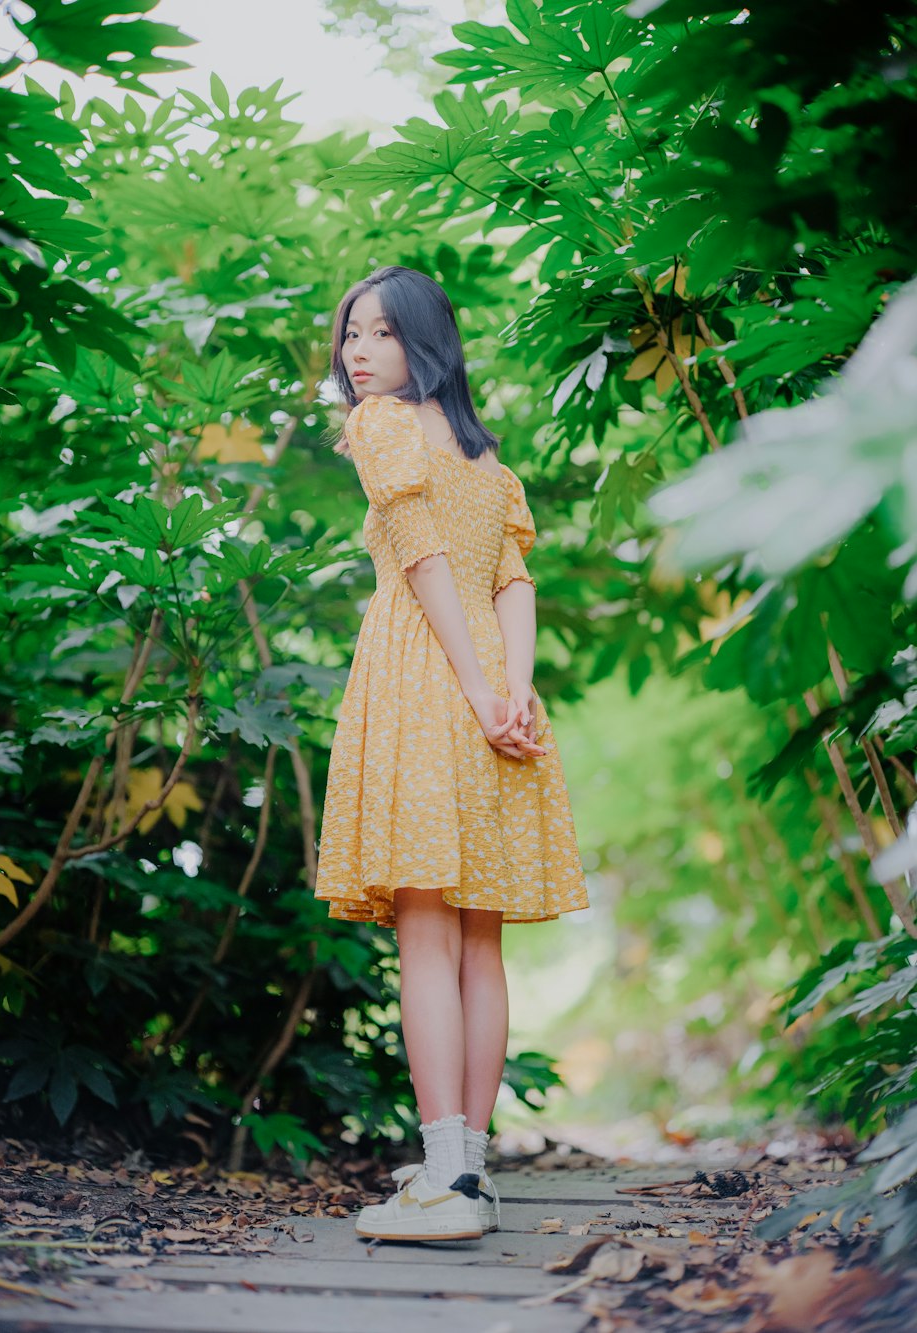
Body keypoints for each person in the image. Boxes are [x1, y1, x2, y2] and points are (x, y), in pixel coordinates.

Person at [313, 265, 589, 1242]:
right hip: (488, 682)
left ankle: (445, 1185)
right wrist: (515, 693)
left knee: (427, 932)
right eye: (351, 333)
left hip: (423, 671)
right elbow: (513, 582)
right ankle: (466, 1167)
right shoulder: (485, 456)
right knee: (479, 939)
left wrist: (480, 691)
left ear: (425, 339)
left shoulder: (382, 427)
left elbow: (425, 560)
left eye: (382, 334)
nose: (359, 351)